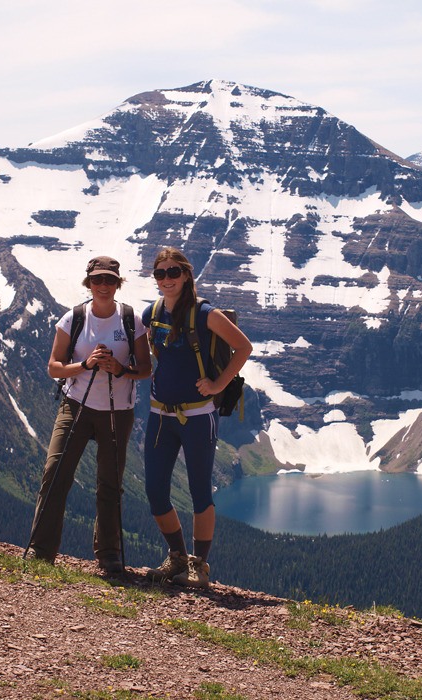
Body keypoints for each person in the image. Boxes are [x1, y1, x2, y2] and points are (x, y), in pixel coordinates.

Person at [27, 256, 152, 574]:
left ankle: (109, 555)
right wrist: (85, 365)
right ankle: (41, 551)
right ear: (89, 283)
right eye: (98, 280)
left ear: (118, 283)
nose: (104, 286)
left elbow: (145, 368)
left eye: (110, 280)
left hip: (117, 410)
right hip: (76, 406)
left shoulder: (130, 320)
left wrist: (119, 369)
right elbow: (54, 367)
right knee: (55, 473)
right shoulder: (75, 318)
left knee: (110, 483)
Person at [143, 247, 252, 588]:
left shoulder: (205, 312)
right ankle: (177, 558)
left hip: (198, 416)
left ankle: (199, 565)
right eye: (160, 273)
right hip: (160, 414)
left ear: (187, 274)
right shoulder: (154, 312)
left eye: (173, 272)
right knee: (155, 491)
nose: (167, 279)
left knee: (199, 490)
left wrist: (218, 383)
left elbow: (243, 347)